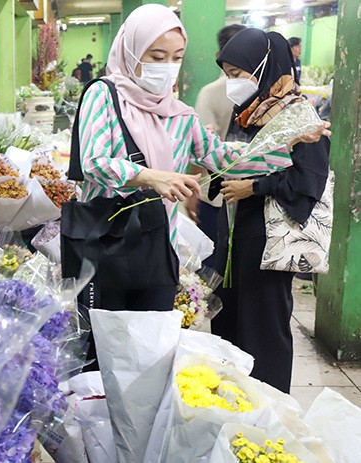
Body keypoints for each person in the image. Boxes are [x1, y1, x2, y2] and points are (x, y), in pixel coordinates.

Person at [65, 4, 327, 314]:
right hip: (103, 243)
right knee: (99, 342)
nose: (168, 67)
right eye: (157, 57)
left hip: (158, 248)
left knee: (153, 343)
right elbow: (93, 161)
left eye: (176, 58)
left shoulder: (182, 116)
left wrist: (288, 144)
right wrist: (151, 176)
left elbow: (224, 158)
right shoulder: (103, 96)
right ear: (131, 51)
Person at [211, 28, 331, 393]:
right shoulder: (247, 112)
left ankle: (272, 412)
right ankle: (234, 405)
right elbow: (233, 159)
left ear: (263, 66)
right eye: (228, 75)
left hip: (268, 240)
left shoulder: (299, 116)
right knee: (228, 324)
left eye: (237, 74)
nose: (232, 83)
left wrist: (255, 186)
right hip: (234, 236)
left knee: (264, 328)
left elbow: (309, 180)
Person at [188, 24, 246, 264]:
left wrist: (193, 190)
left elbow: (200, 149)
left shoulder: (210, 93)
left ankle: (215, 302)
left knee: (213, 263)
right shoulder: (264, 91)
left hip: (216, 195)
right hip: (250, 196)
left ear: (218, 57)